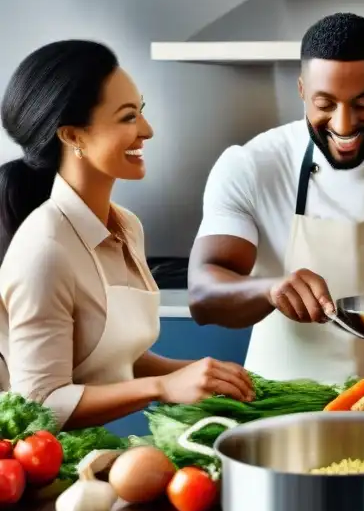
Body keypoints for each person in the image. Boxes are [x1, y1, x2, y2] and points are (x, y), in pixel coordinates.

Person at [188, 13, 364, 382]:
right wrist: (268, 290)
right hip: (280, 407)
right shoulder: (250, 166)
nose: (343, 126)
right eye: (324, 104)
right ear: (301, 89)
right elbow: (202, 293)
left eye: (363, 104)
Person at [0, 40, 253, 430]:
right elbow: (39, 406)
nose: (147, 131)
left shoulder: (126, 226)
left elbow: (110, 356)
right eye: (128, 117)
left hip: (85, 453)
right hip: (31, 471)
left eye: (142, 112)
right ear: (73, 136)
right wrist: (162, 387)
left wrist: (194, 374)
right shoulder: (45, 250)